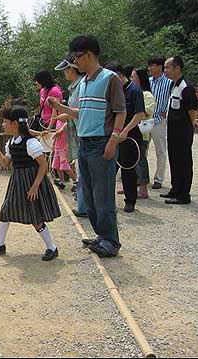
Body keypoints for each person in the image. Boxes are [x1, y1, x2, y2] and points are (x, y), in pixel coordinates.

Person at [48, 35, 127, 257]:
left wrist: (113, 139)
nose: (76, 62)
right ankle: (101, 235)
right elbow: (79, 113)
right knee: (89, 197)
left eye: (78, 57)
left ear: (90, 55)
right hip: (85, 143)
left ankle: (111, 241)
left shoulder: (110, 79)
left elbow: (121, 112)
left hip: (102, 142)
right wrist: (60, 106)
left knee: (103, 196)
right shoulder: (83, 83)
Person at [0, 104, 61, 261]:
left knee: (35, 217)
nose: (3, 125)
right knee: (6, 210)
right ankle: (0, 244)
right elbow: (6, 163)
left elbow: (43, 165)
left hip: (31, 181)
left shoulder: (30, 142)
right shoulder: (11, 142)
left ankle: (52, 248)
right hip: (17, 181)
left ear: (15, 124)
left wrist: (35, 186)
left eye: (5, 121)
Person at [104, 63, 145, 213]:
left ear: (119, 75)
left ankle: (130, 201)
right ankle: (106, 202)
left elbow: (139, 114)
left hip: (130, 136)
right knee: (109, 169)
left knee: (128, 170)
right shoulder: (114, 91)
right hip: (113, 136)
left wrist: (125, 130)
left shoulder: (134, 90)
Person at [161, 56, 198, 204]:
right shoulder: (174, 85)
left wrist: (192, 123)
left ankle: (184, 194)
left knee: (183, 161)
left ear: (177, 68)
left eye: (167, 67)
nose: (166, 71)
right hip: (172, 130)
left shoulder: (186, 86)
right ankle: (175, 188)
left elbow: (191, 108)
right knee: (174, 160)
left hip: (183, 131)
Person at [54, 56, 86, 216]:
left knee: (84, 170)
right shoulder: (75, 86)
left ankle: (84, 205)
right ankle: (83, 204)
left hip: (84, 133)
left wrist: (61, 109)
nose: (64, 73)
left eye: (65, 70)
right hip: (77, 132)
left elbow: (82, 112)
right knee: (81, 168)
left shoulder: (82, 86)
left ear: (72, 69)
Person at [130, 67, 155, 199]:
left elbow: (146, 112)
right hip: (131, 130)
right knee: (130, 159)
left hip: (141, 132)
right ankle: (131, 185)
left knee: (141, 159)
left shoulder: (147, 95)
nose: (131, 79)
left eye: (133, 77)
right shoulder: (131, 92)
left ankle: (143, 187)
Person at [147, 57, 172, 189]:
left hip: (159, 120)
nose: (150, 68)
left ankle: (159, 178)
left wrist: (167, 111)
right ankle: (142, 177)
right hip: (146, 120)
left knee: (160, 151)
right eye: (150, 66)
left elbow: (172, 97)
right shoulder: (148, 81)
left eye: (153, 66)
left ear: (160, 67)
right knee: (142, 149)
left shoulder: (168, 82)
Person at [51, 118, 78, 190]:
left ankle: (75, 181)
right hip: (58, 146)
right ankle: (62, 182)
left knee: (65, 166)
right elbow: (57, 134)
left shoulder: (67, 122)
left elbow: (70, 135)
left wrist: (68, 147)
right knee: (56, 166)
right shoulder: (58, 121)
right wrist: (53, 144)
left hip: (64, 147)